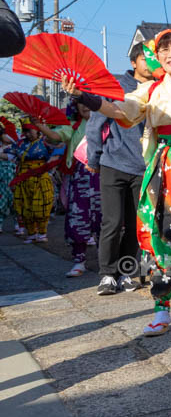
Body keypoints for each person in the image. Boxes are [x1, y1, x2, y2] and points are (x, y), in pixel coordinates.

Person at [64, 23, 171, 337]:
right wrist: (84, 95)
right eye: (164, 49)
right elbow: (118, 109)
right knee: (158, 232)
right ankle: (161, 308)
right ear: (156, 57)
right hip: (164, 162)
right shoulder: (150, 89)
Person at [87, 43, 152, 295]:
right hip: (113, 163)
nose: (150, 63)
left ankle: (126, 272)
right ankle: (106, 275)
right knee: (112, 222)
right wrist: (94, 158)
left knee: (136, 224)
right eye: (144, 58)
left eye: (152, 58)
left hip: (144, 166)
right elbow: (95, 124)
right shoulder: (115, 86)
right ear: (134, 62)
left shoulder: (158, 88)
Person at [34, 102, 102, 277]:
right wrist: (40, 126)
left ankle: (106, 262)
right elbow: (56, 136)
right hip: (80, 176)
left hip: (104, 176)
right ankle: (79, 261)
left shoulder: (108, 122)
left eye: (89, 101)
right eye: (81, 102)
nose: (85, 106)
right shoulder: (74, 125)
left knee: (106, 220)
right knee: (77, 219)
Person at [0, 128, 18, 232]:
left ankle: (17, 223)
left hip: (12, 174)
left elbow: (10, 156)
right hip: (1, 176)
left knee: (14, 201)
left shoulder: (12, 143)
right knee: (1, 201)